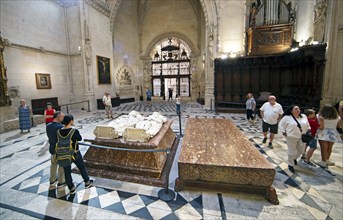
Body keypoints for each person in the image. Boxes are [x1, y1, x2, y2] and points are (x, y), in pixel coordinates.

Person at [59, 114, 93, 194]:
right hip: (75, 153)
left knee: (67, 171)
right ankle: (87, 182)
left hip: (64, 153)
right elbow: (79, 138)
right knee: (81, 168)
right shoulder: (74, 131)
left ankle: (71, 188)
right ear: (71, 121)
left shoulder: (59, 131)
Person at [279, 105, 310, 173]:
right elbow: (281, 125)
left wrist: (308, 130)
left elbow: (307, 124)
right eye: (296, 109)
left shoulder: (303, 116)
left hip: (302, 136)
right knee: (291, 151)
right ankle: (290, 164)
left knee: (301, 150)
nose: (298, 110)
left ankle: (294, 158)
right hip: (291, 136)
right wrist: (284, 132)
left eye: (298, 108)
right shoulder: (287, 117)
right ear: (291, 111)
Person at [46, 111, 66, 188]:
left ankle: (52, 180)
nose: (63, 118)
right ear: (58, 117)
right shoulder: (60, 127)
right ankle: (61, 182)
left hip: (52, 148)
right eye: (62, 116)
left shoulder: (48, 125)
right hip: (59, 149)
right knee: (61, 166)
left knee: (53, 165)